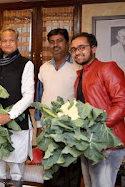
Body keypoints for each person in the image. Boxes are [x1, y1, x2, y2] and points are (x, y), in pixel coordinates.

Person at [71, 32, 125, 187]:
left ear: (93, 48)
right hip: (88, 142)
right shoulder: (80, 75)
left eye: (82, 47)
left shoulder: (107, 68)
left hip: (107, 142)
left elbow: (122, 103)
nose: (77, 52)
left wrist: (98, 128)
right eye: (74, 49)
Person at [0, 27, 34, 181]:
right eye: (4, 40)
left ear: (17, 42)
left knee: (16, 171)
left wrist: (9, 115)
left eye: (11, 40)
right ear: (0, 43)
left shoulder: (26, 64)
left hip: (17, 123)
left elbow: (29, 96)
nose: (7, 43)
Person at [34, 28, 81, 187]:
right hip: (48, 128)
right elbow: (39, 98)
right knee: (50, 168)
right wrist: (39, 125)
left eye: (59, 41)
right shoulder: (43, 68)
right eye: (52, 42)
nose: (56, 45)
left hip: (71, 127)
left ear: (67, 43)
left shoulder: (78, 67)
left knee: (71, 169)